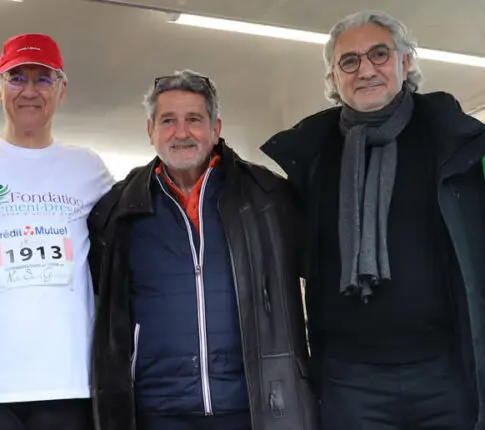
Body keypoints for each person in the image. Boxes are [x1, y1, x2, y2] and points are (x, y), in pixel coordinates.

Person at [259, 10, 485, 430]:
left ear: (405, 61)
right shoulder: (312, 156)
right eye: (349, 61)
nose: (365, 70)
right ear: (333, 77)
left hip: (446, 373)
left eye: (379, 54)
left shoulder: (453, 142)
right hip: (349, 382)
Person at [88, 70, 317, 430]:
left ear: (215, 128)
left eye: (194, 119)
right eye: (168, 121)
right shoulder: (118, 210)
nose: (181, 132)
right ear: (150, 131)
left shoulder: (267, 198)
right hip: (157, 411)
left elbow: (319, 273)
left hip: (252, 407)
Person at [0, 33, 112, 430]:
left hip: (68, 382)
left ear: (62, 90)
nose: (30, 91)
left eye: (43, 78)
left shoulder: (88, 168)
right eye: (17, 78)